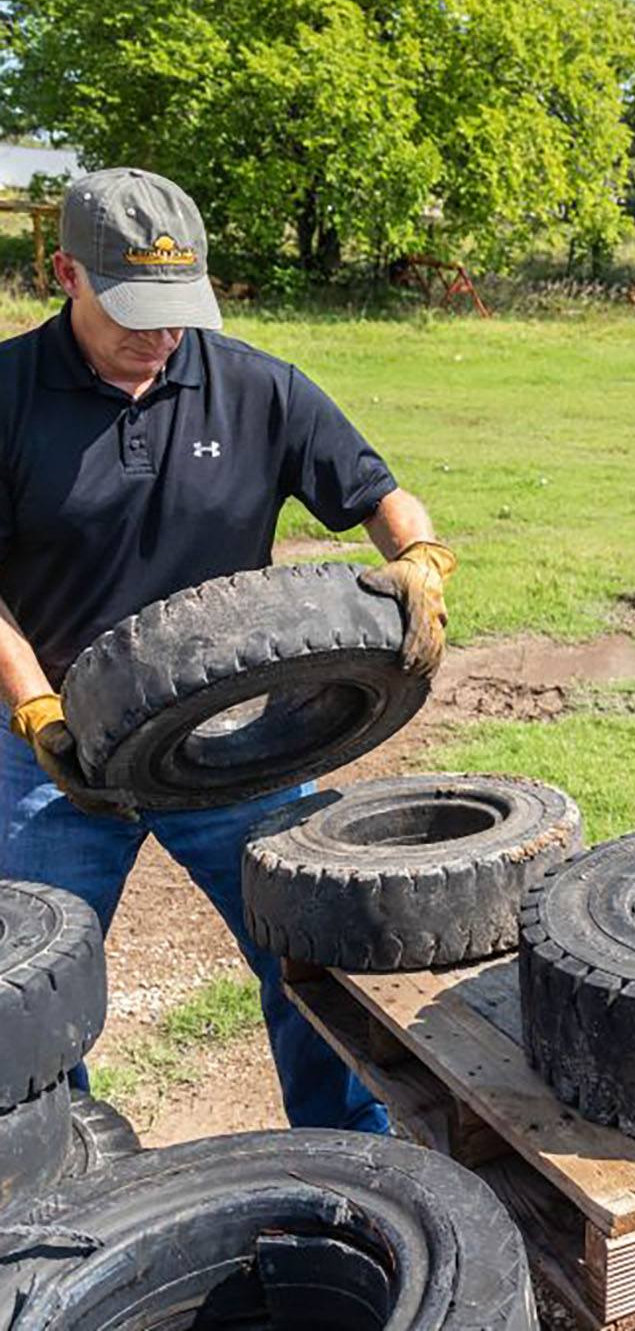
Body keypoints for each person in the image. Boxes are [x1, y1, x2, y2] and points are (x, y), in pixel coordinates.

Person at [0, 167, 457, 1132]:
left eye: (177, 308)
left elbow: (377, 493)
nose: (161, 334)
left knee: (311, 955)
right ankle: (58, 1180)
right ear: (65, 275)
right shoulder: (5, 394)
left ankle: (346, 1154)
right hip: (53, 751)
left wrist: (418, 553)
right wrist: (36, 706)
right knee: (24, 994)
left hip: (234, 736)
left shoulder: (255, 387)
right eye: (134, 308)